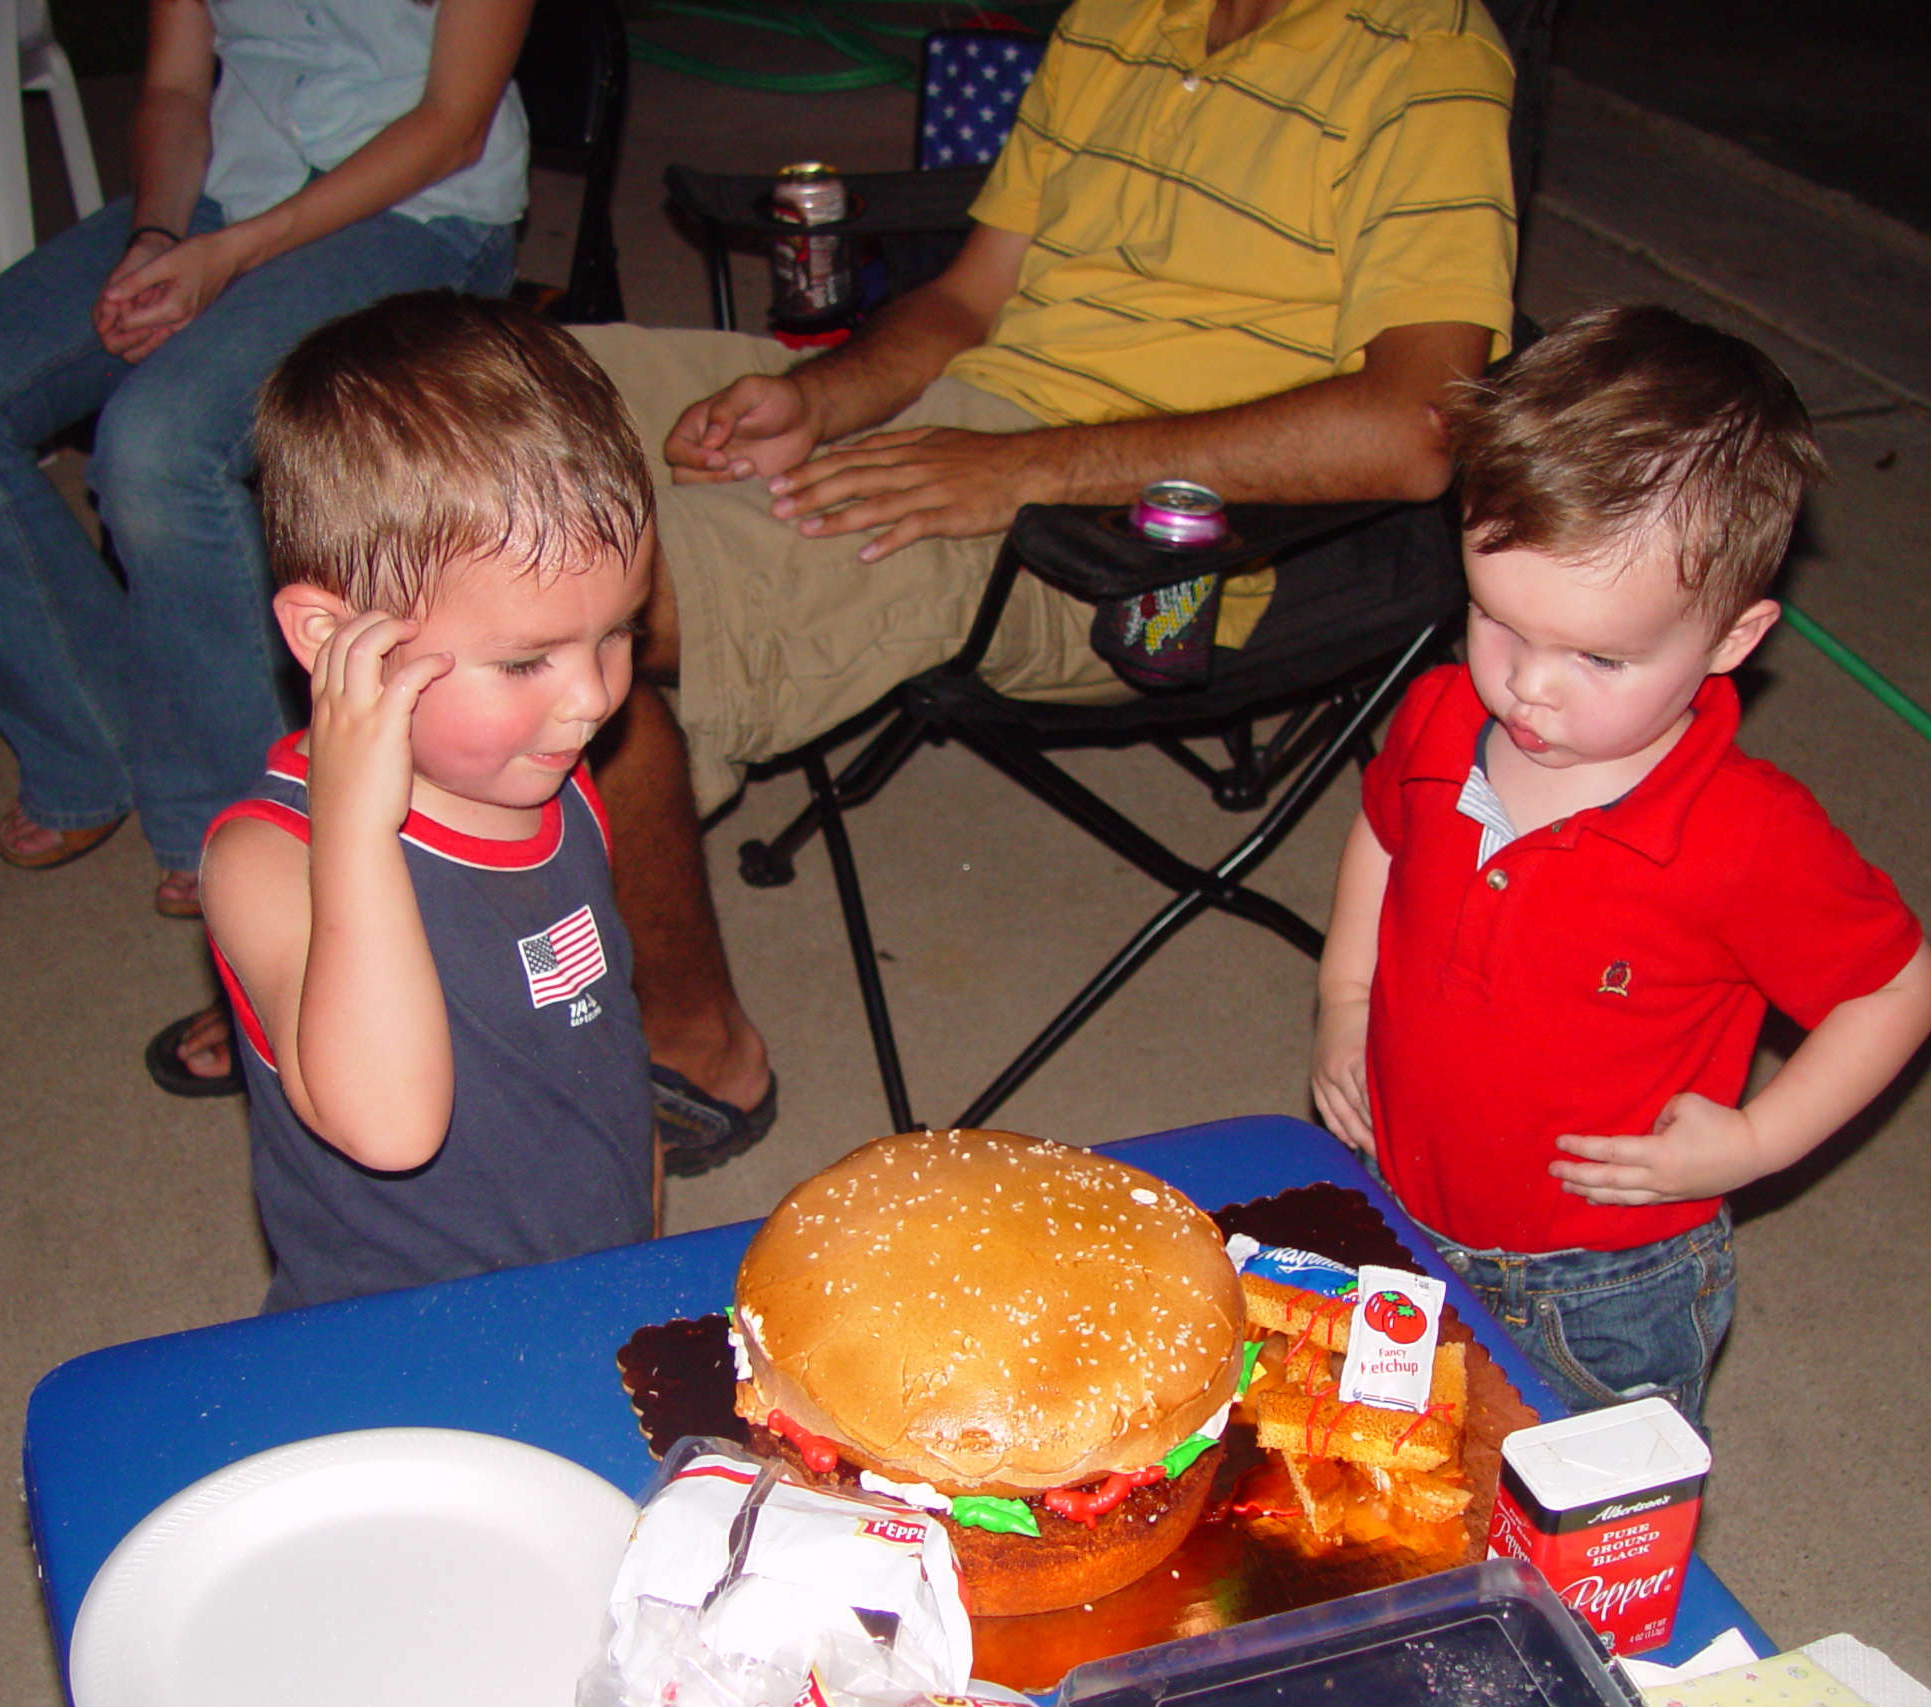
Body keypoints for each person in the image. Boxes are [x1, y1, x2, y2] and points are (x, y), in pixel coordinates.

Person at [555, 0, 1521, 1173]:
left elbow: (1414, 425)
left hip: (1143, 542)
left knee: (571, 596)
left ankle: (692, 1034)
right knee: (462, 405)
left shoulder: (1425, 52)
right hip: (966, 427)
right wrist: (830, 400)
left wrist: (1024, 473)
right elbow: (968, 302)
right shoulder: (1116, 16)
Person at [1308, 305, 1931, 1425]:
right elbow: (1386, 831)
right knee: (1393, 1492)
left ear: (1733, 640)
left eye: (1600, 656)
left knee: (1596, 1535)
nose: (1529, 687)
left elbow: (1893, 990)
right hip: (1401, 1206)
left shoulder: (1742, 836)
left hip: (1602, 1279)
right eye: (1498, 621)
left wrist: (1757, 1140)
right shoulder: (1436, 715)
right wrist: (1344, 994)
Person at [0, 0, 532, 932]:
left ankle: (243, 815)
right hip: (235, 186)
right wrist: (157, 235)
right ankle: (90, 744)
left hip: (421, 208)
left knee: (159, 446)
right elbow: (178, 88)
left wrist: (232, 254)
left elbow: (452, 126)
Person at [199, 292, 656, 1311]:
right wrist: (355, 830)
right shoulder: (265, 860)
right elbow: (391, 1127)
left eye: (619, 631)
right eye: (526, 659)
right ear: (330, 640)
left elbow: (594, 1034)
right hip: (403, 1336)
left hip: (592, 1275)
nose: (591, 698)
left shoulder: (553, 780)